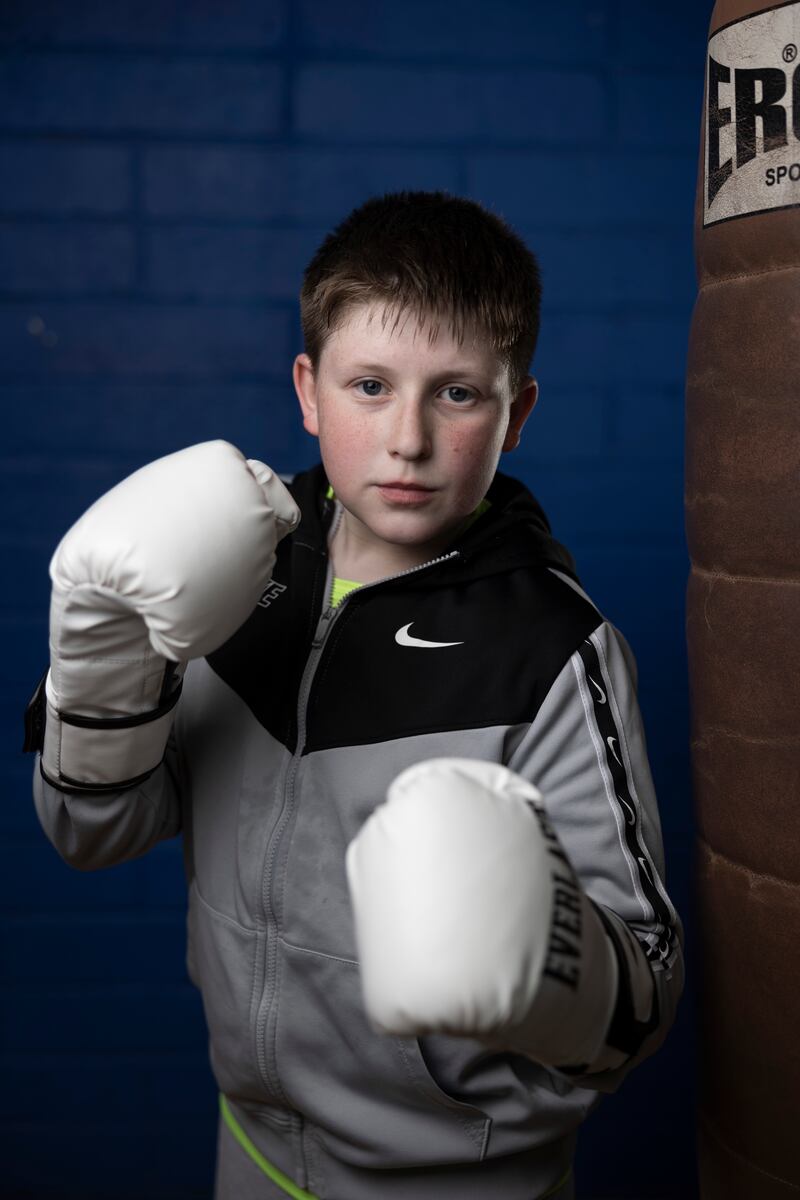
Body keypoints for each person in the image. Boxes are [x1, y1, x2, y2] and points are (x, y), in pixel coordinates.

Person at [25, 190, 684, 1200]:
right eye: (368, 385)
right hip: (244, 1148)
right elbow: (91, 829)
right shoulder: (226, 563)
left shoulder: (553, 649)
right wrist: (103, 655)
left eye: (457, 393)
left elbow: (641, 1002)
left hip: (458, 1183)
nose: (406, 438)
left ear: (517, 413)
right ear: (307, 389)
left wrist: (543, 967)